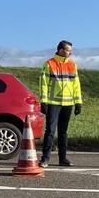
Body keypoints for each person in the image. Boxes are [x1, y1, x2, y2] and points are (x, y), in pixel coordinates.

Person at [39, 40, 82, 168]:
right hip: (53, 103)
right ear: (61, 50)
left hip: (68, 104)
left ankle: (63, 158)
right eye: (68, 50)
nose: (70, 52)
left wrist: (78, 102)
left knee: (63, 132)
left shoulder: (73, 65)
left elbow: (76, 85)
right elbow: (43, 84)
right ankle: (45, 159)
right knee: (50, 131)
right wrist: (43, 101)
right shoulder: (49, 64)